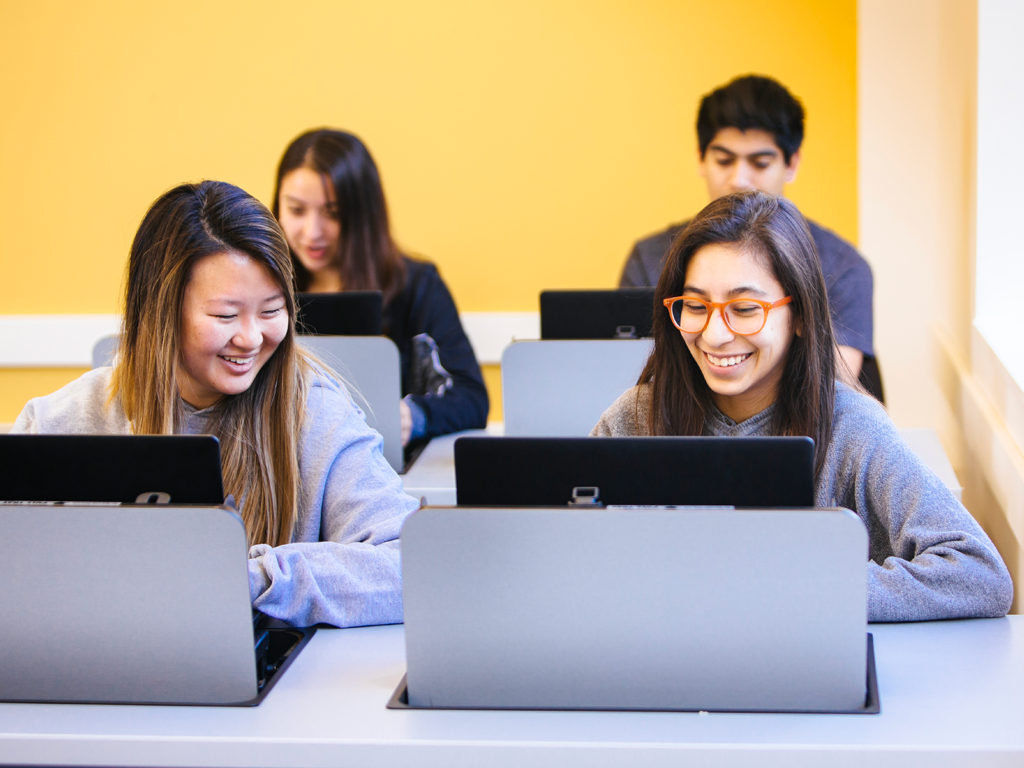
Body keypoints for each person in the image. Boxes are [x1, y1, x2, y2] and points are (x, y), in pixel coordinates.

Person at [11, 180, 420, 628]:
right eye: (225, 315)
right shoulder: (59, 421)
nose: (250, 338)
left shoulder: (316, 414)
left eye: (271, 310)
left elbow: (411, 566)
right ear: (161, 312)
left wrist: (252, 579)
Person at [595, 190, 1012, 622]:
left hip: (800, 669)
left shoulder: (852, 427)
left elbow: (979, 573)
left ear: (798, 316)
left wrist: (802, 595)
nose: (714, 335)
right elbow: (569, 558)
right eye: (696, 306)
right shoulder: (636, 417)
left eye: (743, 308)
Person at [620, 74, 874, 382]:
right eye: (724, 160)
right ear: (701, 159)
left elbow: (832, 390)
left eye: (760, 163)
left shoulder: (842, 266)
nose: (739, 179)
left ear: (791, 163)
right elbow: (631, 377)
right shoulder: (649, 258)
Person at [273, 129, 488, 447]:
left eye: (332, 213)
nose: (311, 232)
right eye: (296, 210)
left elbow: (471, 398)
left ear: (363, 215)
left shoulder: (417, 286)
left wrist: (412, 417)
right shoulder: (265, 286)